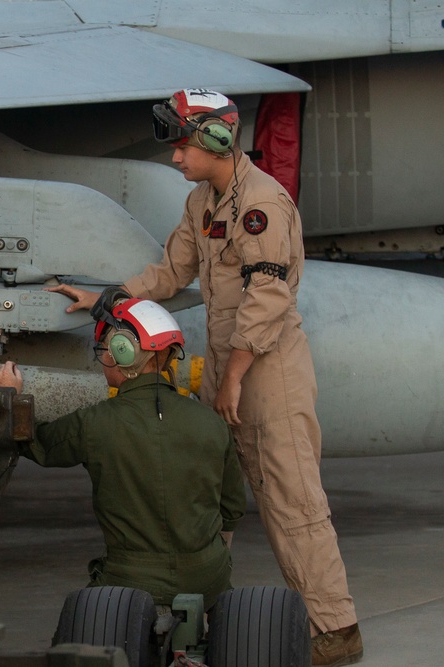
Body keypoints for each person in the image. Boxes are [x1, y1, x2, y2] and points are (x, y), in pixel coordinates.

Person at [47, 89, 361, 665]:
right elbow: (172, 271)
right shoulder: (203, 201)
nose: (174, 158)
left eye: (182, 146)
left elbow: (268, 299)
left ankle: (334, 630)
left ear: (217, 140)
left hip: (267, 369)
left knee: (292, 502)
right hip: (227, 362)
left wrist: (233, 379)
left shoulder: (262, 203)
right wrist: (107, 299)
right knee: (211, 495)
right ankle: (209, 612)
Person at [0, 293, 245, 610]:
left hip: (130, 581)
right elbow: (232, 509)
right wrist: (207, 566)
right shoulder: (211, 423)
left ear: (122, 354)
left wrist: (9, 397)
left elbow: (36, 445)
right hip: (210, 580)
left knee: (86, 633)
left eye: (105, 351)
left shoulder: (95, 423)